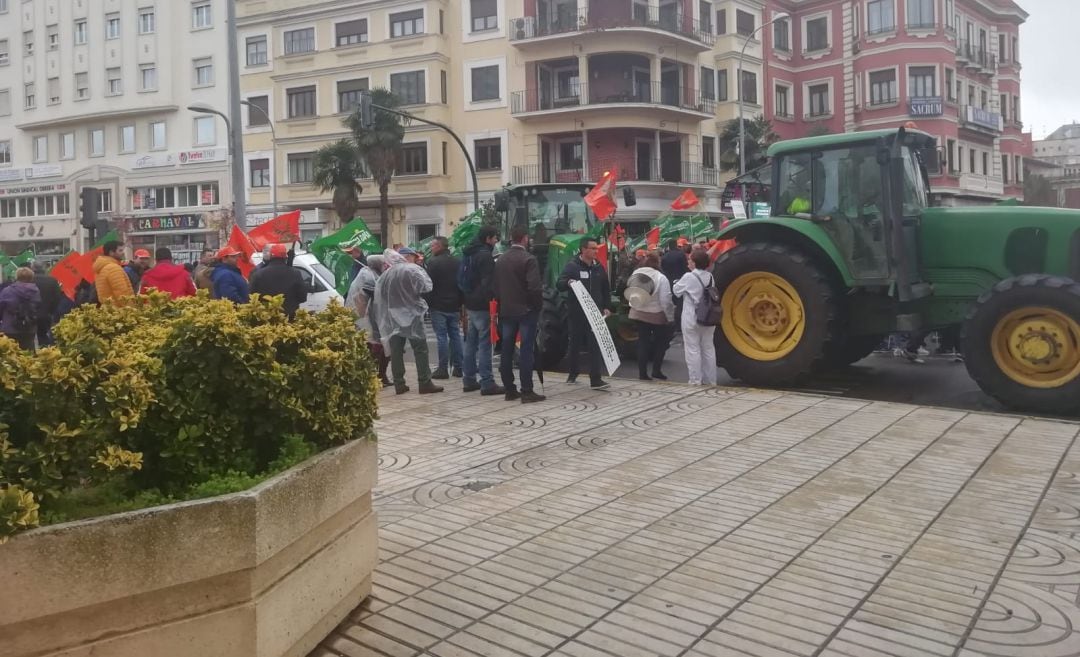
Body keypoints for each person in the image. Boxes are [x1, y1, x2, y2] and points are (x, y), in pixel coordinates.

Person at [375, 249, 443, 395]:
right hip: (412, 314)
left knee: (396, 350)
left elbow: (380, 295)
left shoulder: (386, 275)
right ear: (406, 257)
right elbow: (426, 287)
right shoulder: (412, 270)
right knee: (420, 349)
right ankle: (424, 382)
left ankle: (399, 384)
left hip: (393, 316)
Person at [494, 225, 545, 403]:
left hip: (507, 311)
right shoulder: (529, 259)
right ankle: (527, 390)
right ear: (524, 239)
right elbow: (535, 288)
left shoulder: (501, 260)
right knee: (526, 350)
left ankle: (509, 389)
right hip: (526, 311)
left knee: (506, 350)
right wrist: (536, 307)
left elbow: (497, 287)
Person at [557, 237, 611, 390]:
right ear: (583, 249)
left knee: (595, 344)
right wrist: (568, 283)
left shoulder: (598, 268)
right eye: (593, 248)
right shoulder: (573, 267)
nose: (596, 251)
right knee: (575, 343)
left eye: (596, 248)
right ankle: (573, 372)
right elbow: (559, 283)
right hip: (577, 313)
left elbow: (605, 289)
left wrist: (606, 306)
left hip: (595, 313)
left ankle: (596, 379)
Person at [460, 226, 504, 396]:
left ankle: (469, 379)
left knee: (471, 342)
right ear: (487, 239)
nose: (495, 242)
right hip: (483, 305)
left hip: (470, 302)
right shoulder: (485, 255)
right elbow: (488, 283)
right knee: (486, 343)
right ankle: (487, 383)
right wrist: (494, 302)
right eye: (494, 238)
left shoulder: (469, 252)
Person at [626, 252, 675, 380]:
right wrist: (670, 317)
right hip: (656, 315)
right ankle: (656, 370)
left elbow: (631, 293)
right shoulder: (660, 277)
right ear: (657, 263)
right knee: (660, 343)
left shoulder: (635, 274)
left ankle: (642, 374)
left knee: (643, 343)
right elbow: (666, 300)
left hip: (638, 313)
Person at [673, 249, 718, 385]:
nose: (688, 262)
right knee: (708, 348)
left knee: (693, 349)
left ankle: (695, 380)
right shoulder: (710, 277)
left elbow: (676, 291)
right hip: (708, 317)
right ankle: (711, 380)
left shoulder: (688, 276)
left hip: (691, 316)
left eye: (690, 260)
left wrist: (676, 283)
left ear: (695, 262)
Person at [346, 254, 391, 386]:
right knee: (379, 346)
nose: (385, 266)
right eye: (383, 264)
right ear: (377, 264)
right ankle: (377, 376)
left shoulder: (368, 273)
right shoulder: (368, 276)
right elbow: (376, 297)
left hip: (365, 317)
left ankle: (376, 376)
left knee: (375, 346)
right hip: (366, 318)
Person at [423, 236, 464, 379]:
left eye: (433, 246)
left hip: (438, 305)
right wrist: (460, 302)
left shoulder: (433, 263)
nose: (431, 249)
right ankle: (458, 367)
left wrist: (428, 302)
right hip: (454, 305)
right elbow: (461, 284)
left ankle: (442, 368)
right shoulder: (457, 262)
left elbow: (428, 285)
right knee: (455, 336)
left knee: (441, 337)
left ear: (440, 246)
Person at [250, 243, 307, 319]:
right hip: (290, 319)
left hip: (266, 319)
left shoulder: (259, 274)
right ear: (285, 257)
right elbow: (303, 297)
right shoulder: (295, 273)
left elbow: (251, 297)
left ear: (270, 256)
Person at [0, 267, 42, 351]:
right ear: (31, 277)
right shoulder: (35, 291)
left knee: (10, 353)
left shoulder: (7, 291)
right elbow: (38, 306)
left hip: (10, 326)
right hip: (29, 326)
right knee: (28, 353)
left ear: (17, 276)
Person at [31, 261, 61, 347]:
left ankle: (30, 357)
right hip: (46, 313)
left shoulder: (29, 280)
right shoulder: (52, 280)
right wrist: (51, 311)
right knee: (43, 336)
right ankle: (45, 355)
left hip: (30, 314)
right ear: (44, 268)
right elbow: (57, 297)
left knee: (30, 338)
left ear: (33, 268)